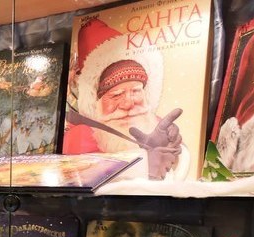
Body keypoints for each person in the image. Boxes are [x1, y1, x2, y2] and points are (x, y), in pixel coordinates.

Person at [64, 17, 189, 180]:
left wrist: (177, 152)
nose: (128, 103)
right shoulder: (81, 135)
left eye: (136, 91)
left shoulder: (157, 125)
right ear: (95, 101)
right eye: (116, 95)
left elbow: (183, 164)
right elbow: (79, 175)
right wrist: (145, 164)